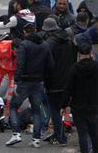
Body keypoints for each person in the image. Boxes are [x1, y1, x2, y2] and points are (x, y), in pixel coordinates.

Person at [6, 23, 54, 148]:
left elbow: (20, 64)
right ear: (36, 30)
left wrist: (16, 81)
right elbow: (50, 65)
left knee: (13, 106)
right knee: (36, 110)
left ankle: (16, 133)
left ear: (24, 32)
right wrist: (43, 77)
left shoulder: (24, 44)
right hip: (38, 82)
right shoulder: (45, 45)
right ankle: (36, 139)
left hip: (24, 81)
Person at [44, 17, 76, 146]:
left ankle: (61, 137)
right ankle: (58, 133)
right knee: (62, 109)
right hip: (68, 81)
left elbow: (47, 65)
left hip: (54, 83)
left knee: (54, 111)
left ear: (47, 31)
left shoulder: (49, 44)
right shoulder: (69, 41)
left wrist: (45, 80)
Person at [62, 43, 98, 153]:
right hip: (94, 105)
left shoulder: (74, 69)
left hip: (78, 106)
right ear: (91, 53)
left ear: (79, 55)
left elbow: (68, 88)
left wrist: (64, 104)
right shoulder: (97, 66)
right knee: (94, 133)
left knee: (82, 134)